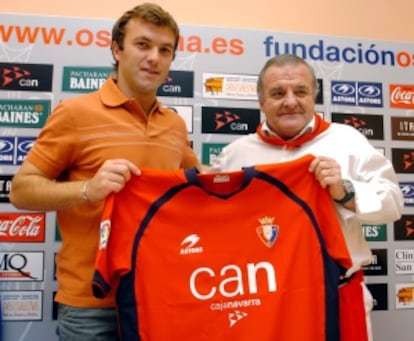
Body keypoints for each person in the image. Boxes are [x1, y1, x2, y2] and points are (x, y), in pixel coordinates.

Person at [9, 3, 200, 340]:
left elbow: (199, 184)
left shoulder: (174, 124)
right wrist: (88, 189)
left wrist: (263, 178)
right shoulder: (74, 113)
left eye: (165, 50)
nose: (154, 57)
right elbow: (21, 190)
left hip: (158, 298)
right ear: (116, 49)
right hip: (91, 307)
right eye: (143, 45)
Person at [208, 53, 404, 341]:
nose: (290, 101)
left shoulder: (347, 140)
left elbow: (393, 204)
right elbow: (211, 222)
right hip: (263, 302)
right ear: (261, 102)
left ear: (314, 97)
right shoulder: (235, 155)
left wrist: (344, 190)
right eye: (277, 93)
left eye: (300, 91)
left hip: (337, 297)